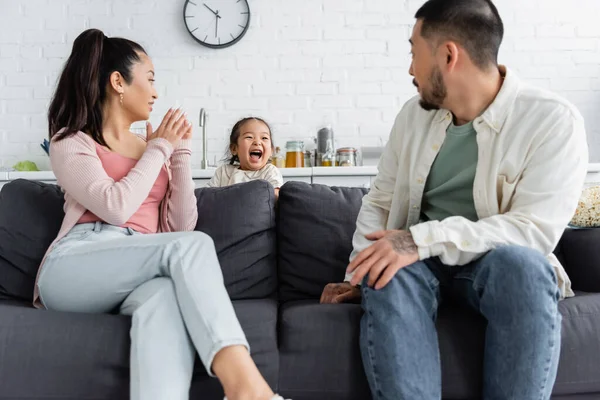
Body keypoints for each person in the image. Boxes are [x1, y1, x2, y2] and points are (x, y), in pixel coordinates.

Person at [320, 0, 588, 399]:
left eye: (414, 53)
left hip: (497, 264)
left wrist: (419, 240)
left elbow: (533, 232)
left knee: (525, 267)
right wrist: (356, 275)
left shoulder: (552, 121)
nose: (411, 69)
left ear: (448, 55)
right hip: (418, 267)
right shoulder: (413, 116)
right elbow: (379, 202)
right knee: (387, 272)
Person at [35, 28, 288, 400]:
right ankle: (247, 390)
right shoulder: (71, 141)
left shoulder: (153, 147)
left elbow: (179, 227)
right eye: (150, 79)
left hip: (139, 267)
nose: (155, 91)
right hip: (74, 266)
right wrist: (158, 150)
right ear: (118, 82)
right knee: (189, 247)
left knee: (165, 299)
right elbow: (115, 207)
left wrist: (179, 155)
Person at [206, 117, 283, 198]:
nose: (257, 142)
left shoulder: (270, 171)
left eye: (264, 138)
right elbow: (207, 197)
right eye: (249, 137)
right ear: (234, 148)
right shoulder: (223, 172)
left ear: (271, 150)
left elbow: (276, 197)